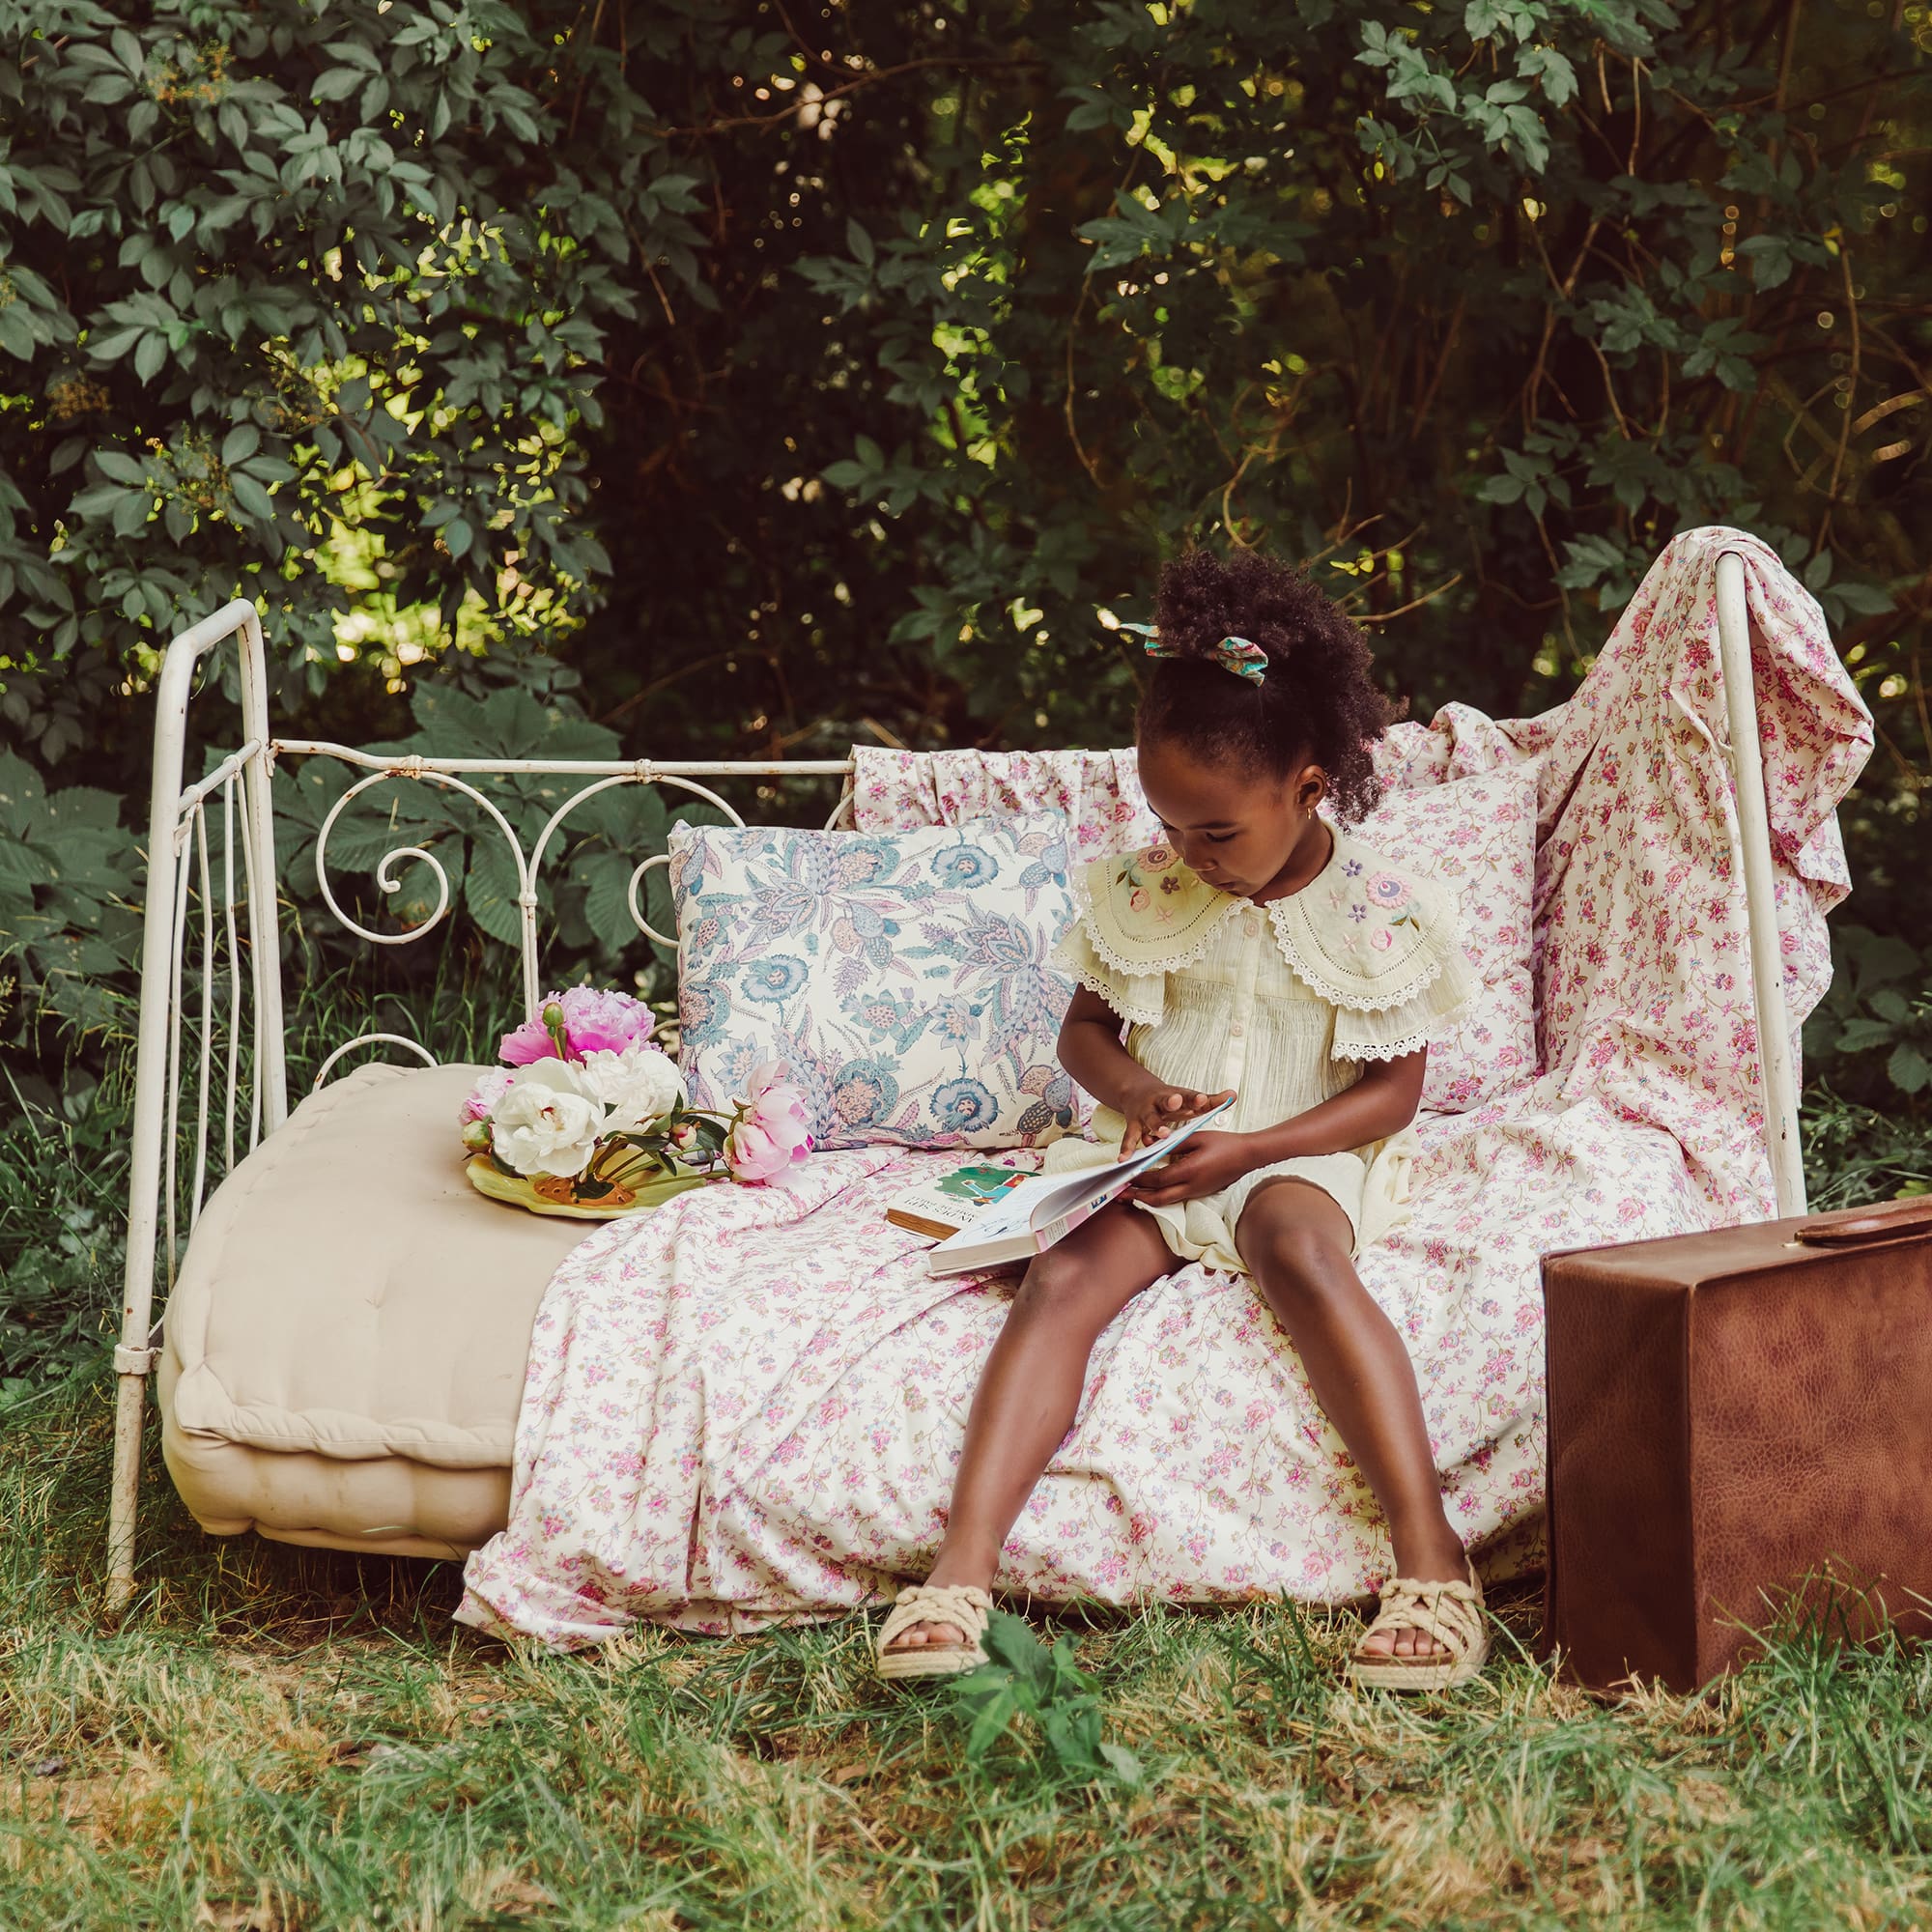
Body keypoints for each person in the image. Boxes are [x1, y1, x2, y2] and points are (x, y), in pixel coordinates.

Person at [875, 549, 1487, 1692]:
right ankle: (958, 1571)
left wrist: (1253, 1149)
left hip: (1297, 1146)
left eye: (1215, 833)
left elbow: (1391, 1094)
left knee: (1296, 1249)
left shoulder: (1384, 911)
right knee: (1059, 1279)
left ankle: (1432, 1560)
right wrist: (1135, 1098)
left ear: (1308, 787)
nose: (1188, 857)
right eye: (1168, 824)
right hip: (1153, 1157)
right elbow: (1083, 1037)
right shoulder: (1148, 885)